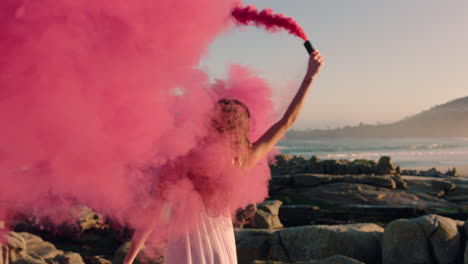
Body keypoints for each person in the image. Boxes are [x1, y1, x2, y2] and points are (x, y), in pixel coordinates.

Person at [123, 50, 324, 264]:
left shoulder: (181, 158)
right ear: (241, 128)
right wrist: (309, 77)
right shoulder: (242, 158)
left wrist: (129, 259)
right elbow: (286, 121)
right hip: (220, 246)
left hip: (186, 248)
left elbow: (152, 214)